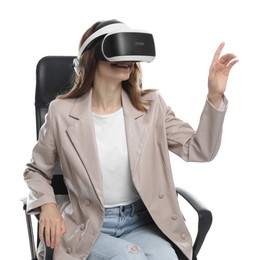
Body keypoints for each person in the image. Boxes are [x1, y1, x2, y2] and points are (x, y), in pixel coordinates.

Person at [23, 19, 238, 260]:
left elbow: (201, 149)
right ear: (92, 56)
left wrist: (214, 96)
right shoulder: (61, 112)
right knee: (130, 257)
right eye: (118, 49)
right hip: (88, 224)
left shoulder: (151, 108)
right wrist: (48, 205)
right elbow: (36, 171)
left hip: (141, 221)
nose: (128, 59)